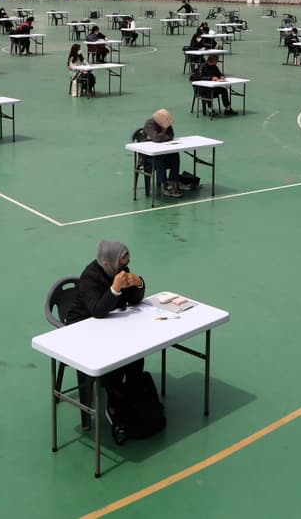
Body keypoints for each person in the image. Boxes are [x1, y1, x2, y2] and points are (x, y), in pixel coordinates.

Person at [64, 239, 147, 430]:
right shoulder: (90, 277)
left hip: (108, 326)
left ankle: (132, 394)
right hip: (80, 328)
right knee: (114, 357)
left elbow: (134, 300)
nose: (124, 268)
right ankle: (113, 400)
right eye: (121, 263)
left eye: (126, 263)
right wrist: (114, 289)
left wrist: (139, 283)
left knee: (136, 352)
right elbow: (97, 311)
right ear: (108, 262)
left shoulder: (119, 271)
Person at [141, 109, 182, 197]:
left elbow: (171, 135)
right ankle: (164, 185)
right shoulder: (149, 124)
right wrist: (163, 131)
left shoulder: (166, 124)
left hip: (163, 151)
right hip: (148, 155)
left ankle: (172, 182)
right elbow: (156, 138)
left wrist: (161, 136)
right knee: (159, 159)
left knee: (175, 156)